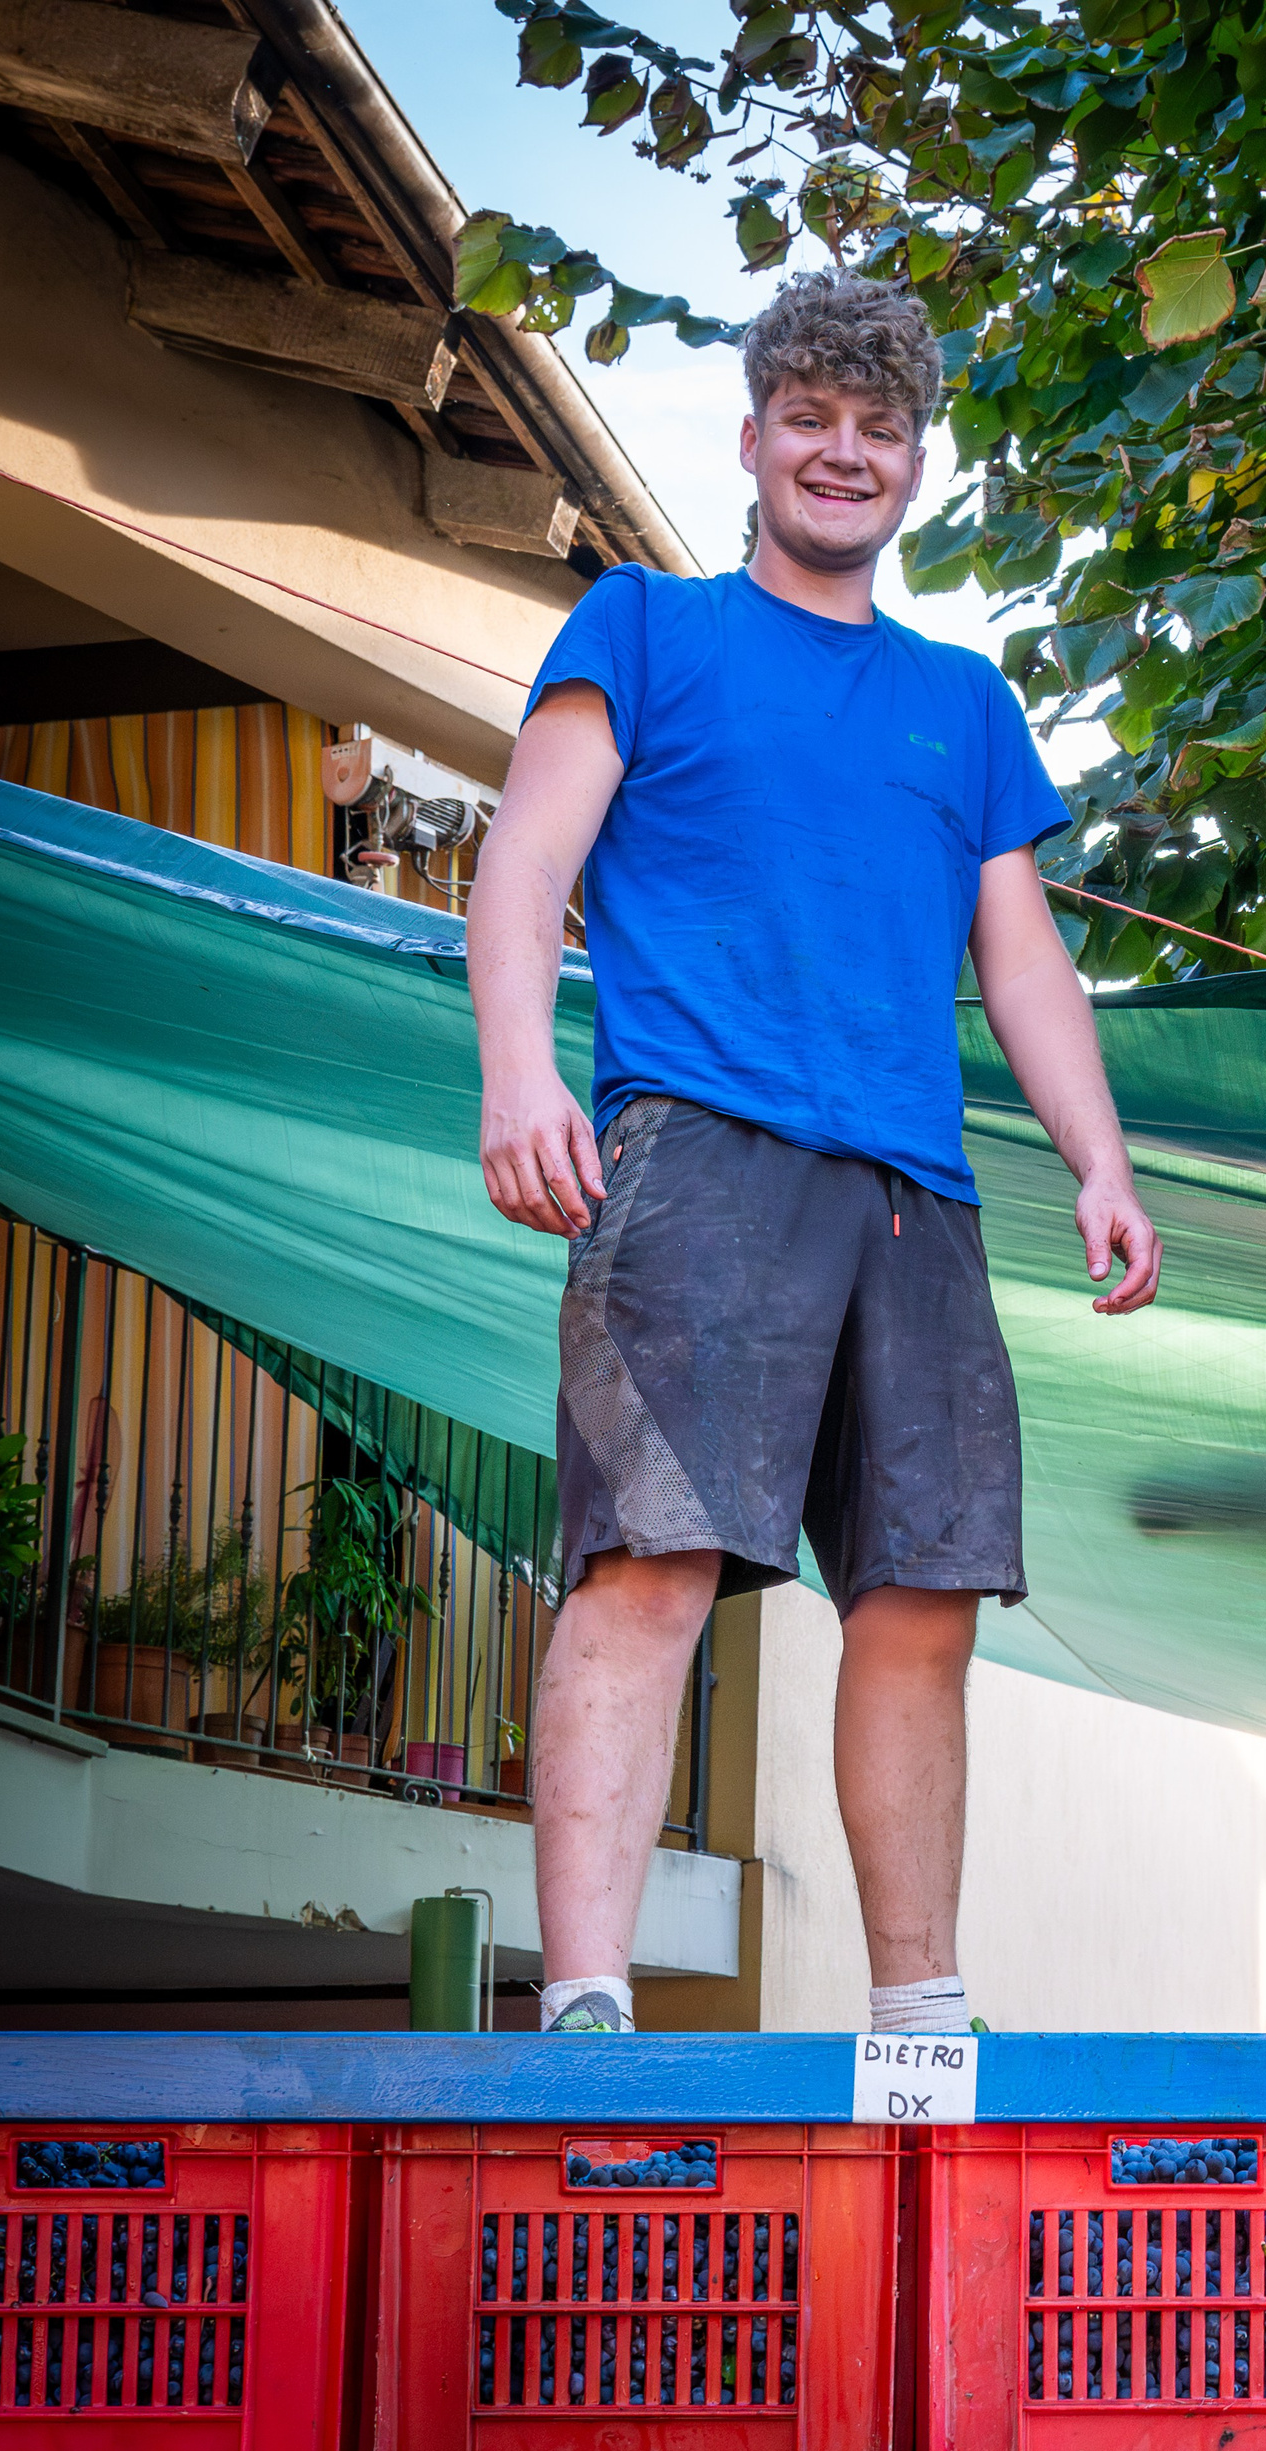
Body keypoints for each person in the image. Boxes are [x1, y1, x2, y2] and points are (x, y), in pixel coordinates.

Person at [468, 268, 1161, 2036]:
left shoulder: (968, 704)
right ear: (759, 437)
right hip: (699, 1148)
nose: (844, 454)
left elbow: (1022, 959)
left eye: (880, 427)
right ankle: (590, 1997)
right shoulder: (644, 628)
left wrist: (1098, 1159)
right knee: (655, 1560)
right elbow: (525, 862)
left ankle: (920, 2006)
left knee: (926, 1595)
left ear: (914, 460)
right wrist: (517, 1076)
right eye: (812, 420)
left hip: (917, 1194)